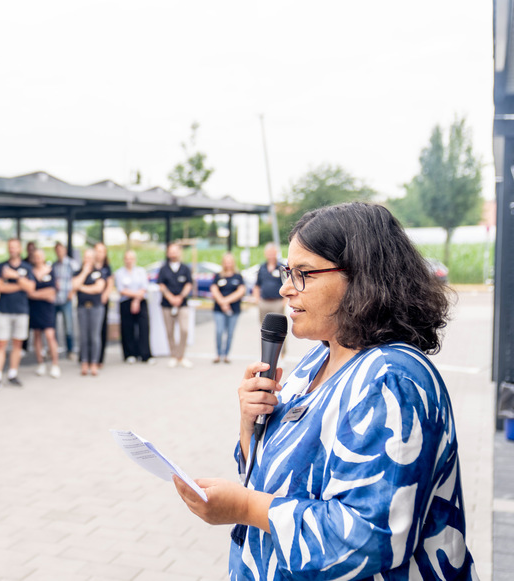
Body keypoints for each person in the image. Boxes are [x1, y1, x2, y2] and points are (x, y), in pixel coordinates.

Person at [173, 202, 476, 580]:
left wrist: (246, 509)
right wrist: (250, 425)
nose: (286, 288)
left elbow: (371, 537)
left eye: (304, 274)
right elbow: (275, 478)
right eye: (288, 271)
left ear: (362, 278)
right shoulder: (317, 359)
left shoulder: (392, 379)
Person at [0, 238, 36, 391]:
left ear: (20, 249)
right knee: (1, 344)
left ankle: (12, 373)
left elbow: (30, 288)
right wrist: (20, 285)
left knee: (17, 344)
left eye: (15, 247)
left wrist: (15, 276)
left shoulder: (26, 267)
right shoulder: (0, 266)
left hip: (21, 310)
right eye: (10, 247)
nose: (12, 250)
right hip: (4, 310)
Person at [158, 243, 193, 368]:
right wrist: (170, 297)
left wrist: (180, 297)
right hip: (167, 305)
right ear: (168, 253)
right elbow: (161, 285)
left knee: (184, 330)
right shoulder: (163, 269)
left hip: (182, 304)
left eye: (175, 251)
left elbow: (189, 284)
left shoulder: (185, 268)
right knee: (170, 331)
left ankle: (181, 356)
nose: (173, 253)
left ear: (179, 252)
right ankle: (173, 355)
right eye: (170, 251)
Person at [73, 248, 106, 376]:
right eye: (86, 257)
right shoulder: (78, 272)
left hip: (96, 307)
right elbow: (74, 285)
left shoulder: (99, 272)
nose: (88, 260)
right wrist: (84, 273)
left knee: (94, 336)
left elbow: (98, 289)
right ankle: (84, 362)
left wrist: (81, 287)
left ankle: (94, 363)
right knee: (83, 336)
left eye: (90, 257)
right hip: (82, 307)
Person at [28, 248, 60, 378]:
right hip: (35, 308)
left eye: (40, 256)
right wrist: (42, 294)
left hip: (47, 308)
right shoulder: (30, 272)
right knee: (37, 335)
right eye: (35, 256)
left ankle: (55, 364)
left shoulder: (51, 271)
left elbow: (52, 292)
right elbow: (29, 292)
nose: (38, 259)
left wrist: (35, 294)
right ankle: (40, 363)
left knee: (50, 335)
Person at [115, 250, 151, 364]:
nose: (129, 261)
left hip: (140, 300)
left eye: (131, 258)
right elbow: (121, 289)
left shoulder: (141, 271)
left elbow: (144, 287)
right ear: (124, 260)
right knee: (127, 328)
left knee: (143, 328)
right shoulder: (119, 273)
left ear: (135, 259)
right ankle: (130, 354)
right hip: (126, 301)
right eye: (127, 258)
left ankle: (145, 354)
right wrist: (134, 297)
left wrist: (136, 300)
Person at [210, 253, 245, 364]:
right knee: (219, 331)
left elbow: (240, 291)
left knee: (230, 333)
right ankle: (218, 353)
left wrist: (226, 301)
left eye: (230, 261)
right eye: (226, 261)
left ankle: (226, 354)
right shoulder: (218, 276)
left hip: (233, 309)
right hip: (219, 309)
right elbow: (214, 289)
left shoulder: (238, 277)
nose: (228, 264)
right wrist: (222, 302)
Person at [252, 242, 287, 357]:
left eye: (273, 253)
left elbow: (287, 284)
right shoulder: (262, 268)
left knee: (279, 330)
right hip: (264, 302)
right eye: (269, 253)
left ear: (276, 253)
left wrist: (284, 301)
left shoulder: (281, 267)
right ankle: (266, 354)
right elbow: (257, 285)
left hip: (277, 302)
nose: (271, 255)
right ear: (265, 254)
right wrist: (257, 300)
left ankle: (281, 355)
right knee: (265, 329)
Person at [52, 242, 78, 360]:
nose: (59, 252)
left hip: (66, 299)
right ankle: (54, 350)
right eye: (57, 250)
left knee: (68, 327)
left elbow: (77, 279)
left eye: (61, 250)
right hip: (55, 299)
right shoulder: (54, 265)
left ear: (65, 251)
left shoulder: (72, 264)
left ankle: (70, 350)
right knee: (54, 327)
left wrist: (71, 293)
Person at [94, 242, 113, 366]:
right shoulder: (88, 265)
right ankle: (86, 357)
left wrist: (105, 295)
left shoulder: (107, 268)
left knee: (101, 329)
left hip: (102, 301)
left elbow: (110, 282)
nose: (99, 254)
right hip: (90, 302)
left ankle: (99, 358)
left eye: (102, 251)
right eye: (97, 250)